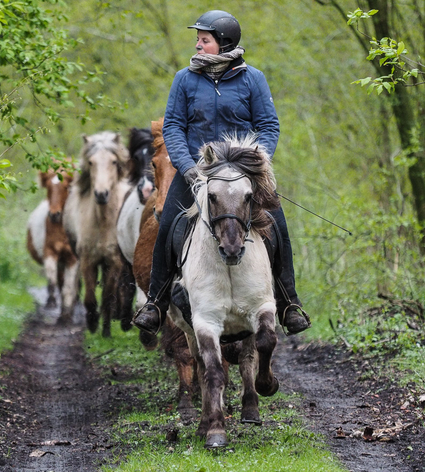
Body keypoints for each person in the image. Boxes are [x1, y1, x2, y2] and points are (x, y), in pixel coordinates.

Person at [132, 10, 310, 336]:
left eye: (204, 40)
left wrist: (255, 164)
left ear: (223, 43)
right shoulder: (184, 78)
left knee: (277, 225)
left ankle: (289, 303)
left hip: (243, 175)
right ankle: (155, 303)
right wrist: (187, 167)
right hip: (197, 173)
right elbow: (173, 126)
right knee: (167, 222)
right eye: (197, 40)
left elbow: (268, 126)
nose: (198, 45)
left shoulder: (252, 78)